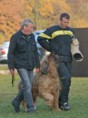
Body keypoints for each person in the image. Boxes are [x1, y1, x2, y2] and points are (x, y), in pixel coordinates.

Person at [38, 13, 82, 111]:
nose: (66, 24)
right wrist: (51, 48)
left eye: (67, 22)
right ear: (60, 20)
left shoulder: (70, 31)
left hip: (68, 59)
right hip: (57, 60)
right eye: (64, 22)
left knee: (67, 81)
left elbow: (74, 43)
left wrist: (76, 52)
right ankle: (63, 103)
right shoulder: (52, 30)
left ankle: (59, 102)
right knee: (65, 79)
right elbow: (40, 38)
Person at [8, 19, 40, 113]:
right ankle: (30, 108)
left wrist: (37, 65)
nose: (32, 29)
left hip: (30, 65)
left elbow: (35, 52)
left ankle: (16, 101)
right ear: (24, 27)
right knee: (27, 85)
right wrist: (11, 67)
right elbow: (11, 53)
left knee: (27, 86)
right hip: (20, 65)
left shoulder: (32, 36)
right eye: (31, 27)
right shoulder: (15, 37)